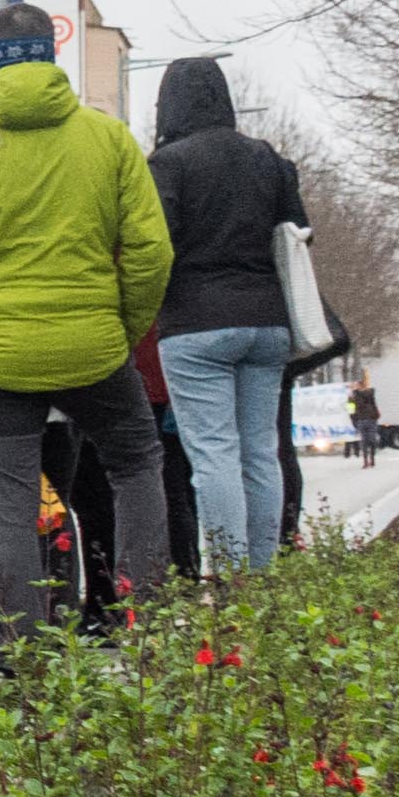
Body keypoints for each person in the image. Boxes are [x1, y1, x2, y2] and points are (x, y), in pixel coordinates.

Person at [0, 0, 173, 641]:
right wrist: (120, 328)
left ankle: (22, 648)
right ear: (50, 58)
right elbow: (150, 251)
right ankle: (152, 624)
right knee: (137, 464)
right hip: (93, 347)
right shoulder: (107, 138)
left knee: (7, 500)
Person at [146, 56, 311, 571]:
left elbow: (155, 247)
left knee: (213, 454)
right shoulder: (267, 159)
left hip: (196, 326)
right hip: (268, 323)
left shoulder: (168, 165)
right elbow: (299, 234)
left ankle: (231, 577)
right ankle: (262, 576)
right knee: (261, 452)